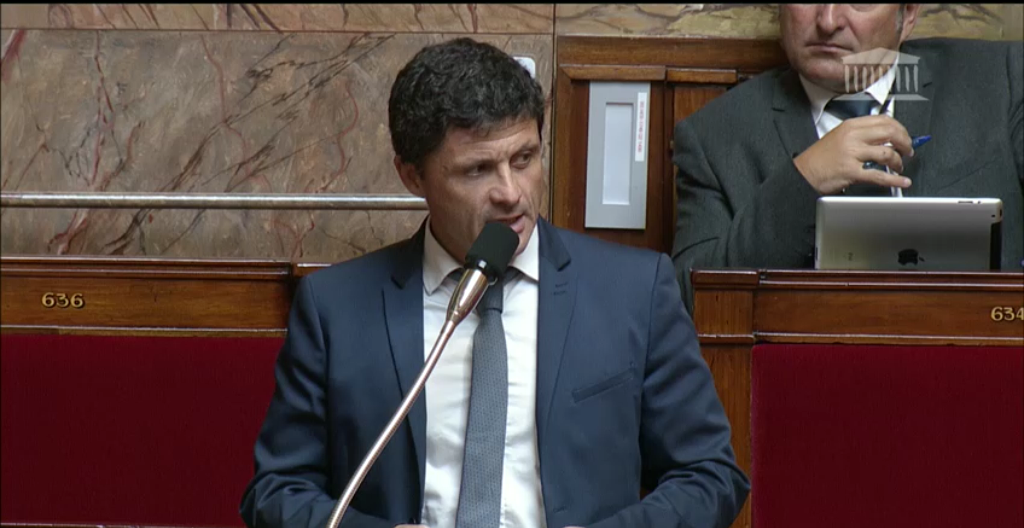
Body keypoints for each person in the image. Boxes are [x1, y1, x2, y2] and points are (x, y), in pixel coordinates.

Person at [240, 38, 748, 528]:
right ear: (412, 176)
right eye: (477, 169)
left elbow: (710, 476)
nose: (510, 193)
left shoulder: (634, 291)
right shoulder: (335, 308)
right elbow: (276, 492)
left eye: (524, 159)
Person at [671, 4, 1023, 312]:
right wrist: (804, 181)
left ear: (907, 15)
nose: (828, 21)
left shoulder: (1002, 81)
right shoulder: (713, 137)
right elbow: (692, 302)